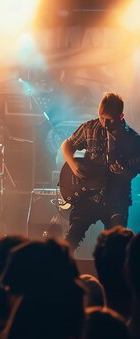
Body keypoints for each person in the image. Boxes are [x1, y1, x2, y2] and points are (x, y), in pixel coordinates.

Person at [60, 92, 140, 251]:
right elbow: (67, 145)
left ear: (121, 116)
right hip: (89, 196)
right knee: (71, 239)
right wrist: (74, 164)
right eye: (101, 117)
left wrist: (122, 171)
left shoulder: (133, 139)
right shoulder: (90, 127)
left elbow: (132, 173)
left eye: (109, 119)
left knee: (118, 246)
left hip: (117, 200)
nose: (104, 123)